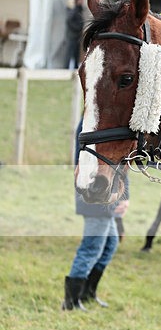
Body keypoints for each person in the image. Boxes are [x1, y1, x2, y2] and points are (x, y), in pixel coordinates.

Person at [62, 123, 129, 310]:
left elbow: (120, 166)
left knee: (110, 244)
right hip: (95, 194)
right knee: (92, 247)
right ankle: (71, 301)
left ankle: (88, 292)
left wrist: (124, 198)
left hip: (107, 196)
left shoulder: (108, 124)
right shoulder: (91, 126)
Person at [64, 0, 85, 70]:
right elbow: (69, 21)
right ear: (78, 0)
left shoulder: (80, 9)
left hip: (77, 36)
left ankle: (75, 68)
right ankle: (65, 68)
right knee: (70, 53)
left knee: (76, 53)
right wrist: (78, 28)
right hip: (72, 36)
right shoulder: (75, 10)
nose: (83, 1)